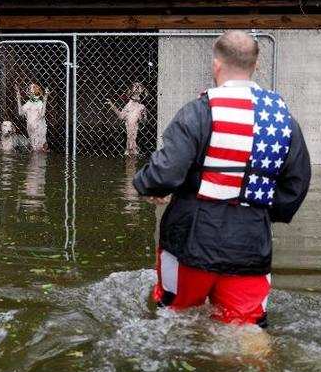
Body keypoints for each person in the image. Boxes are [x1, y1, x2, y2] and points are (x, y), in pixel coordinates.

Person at [133, 31, 311, 327]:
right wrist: (260, 211)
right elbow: (296, 185)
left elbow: (165, 172)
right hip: (251, 243)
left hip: (191, 240)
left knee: (175, 318)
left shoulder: (199, 111)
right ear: (256, 66)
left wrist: (148, 185)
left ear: (216, 64)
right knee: (247, 330)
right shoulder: (282, 119)